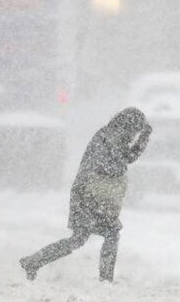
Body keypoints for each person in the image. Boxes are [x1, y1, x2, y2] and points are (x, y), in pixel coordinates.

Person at [20, 107, 152, 282]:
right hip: (88, 196)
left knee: (91, 237)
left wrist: (143, 139)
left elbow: (126, 158)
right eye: (136, 130)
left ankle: (34, 261)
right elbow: (118, 162)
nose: (134, 134)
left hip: (95, 196)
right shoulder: (107, 138)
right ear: (128, 126)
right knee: (92, 236)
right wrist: (141, 141)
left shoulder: (111, 136)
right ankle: (104, 279)